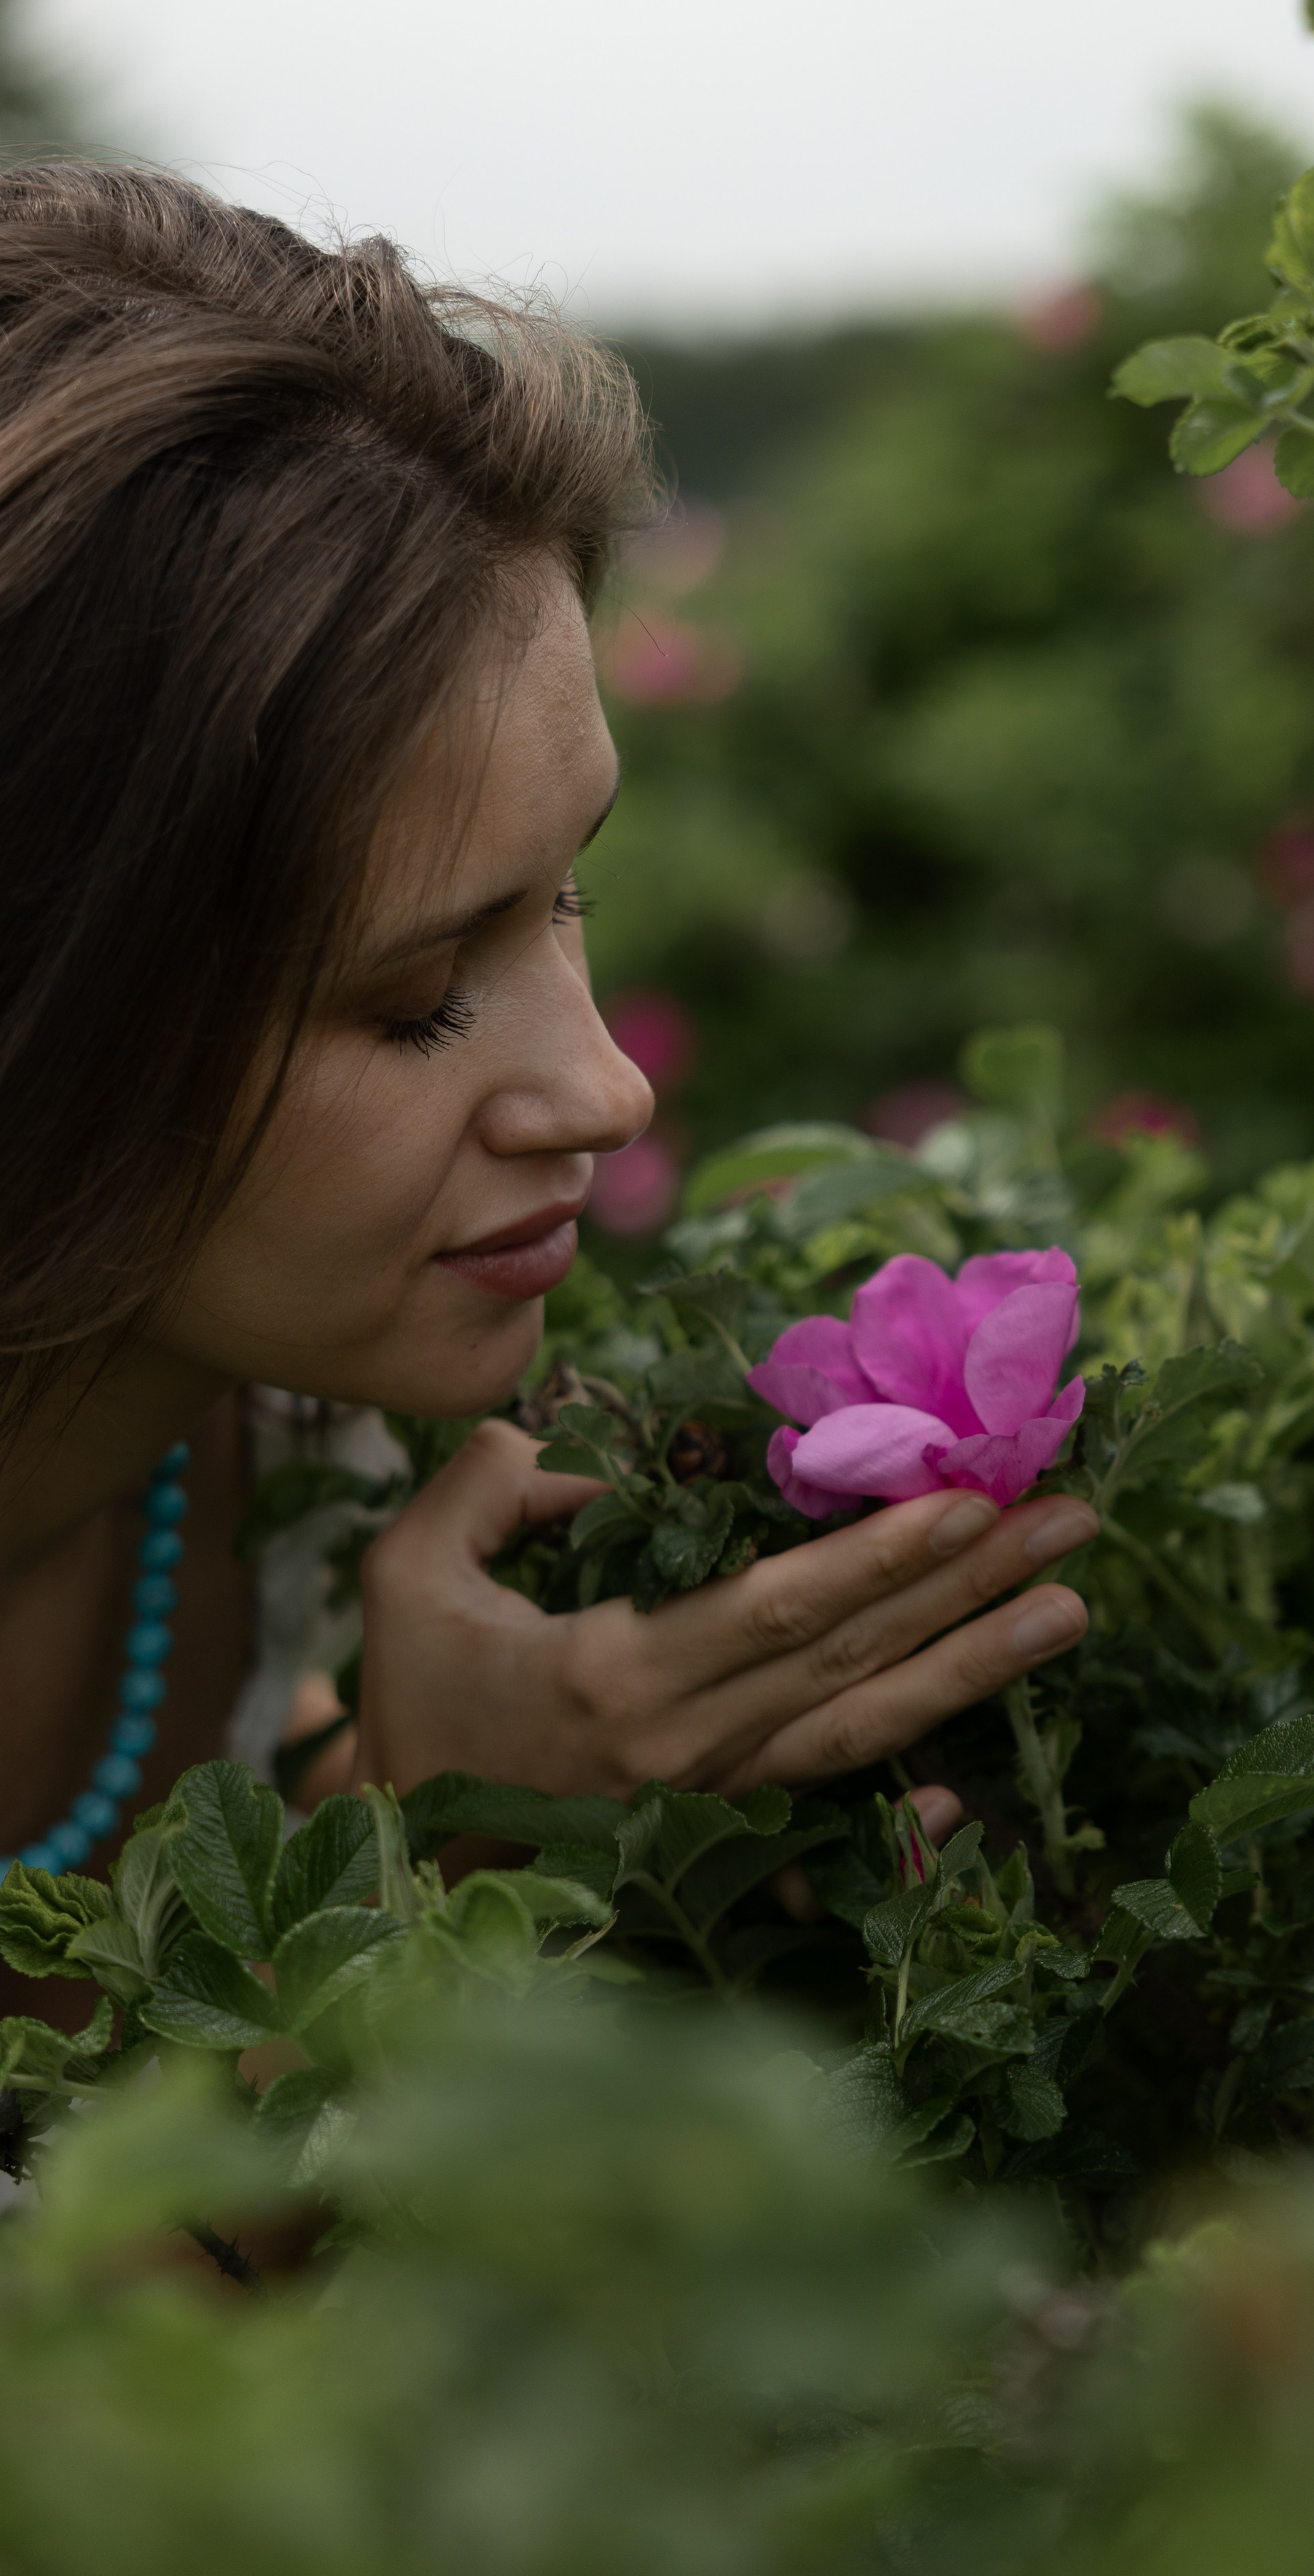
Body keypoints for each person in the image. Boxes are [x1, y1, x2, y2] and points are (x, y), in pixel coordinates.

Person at [0, 165, 1097, 2008]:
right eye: (417, 995)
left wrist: (557, 1782)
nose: (604, 1091)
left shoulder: (276, 1431)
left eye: (563, 893)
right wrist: (432, 1879)